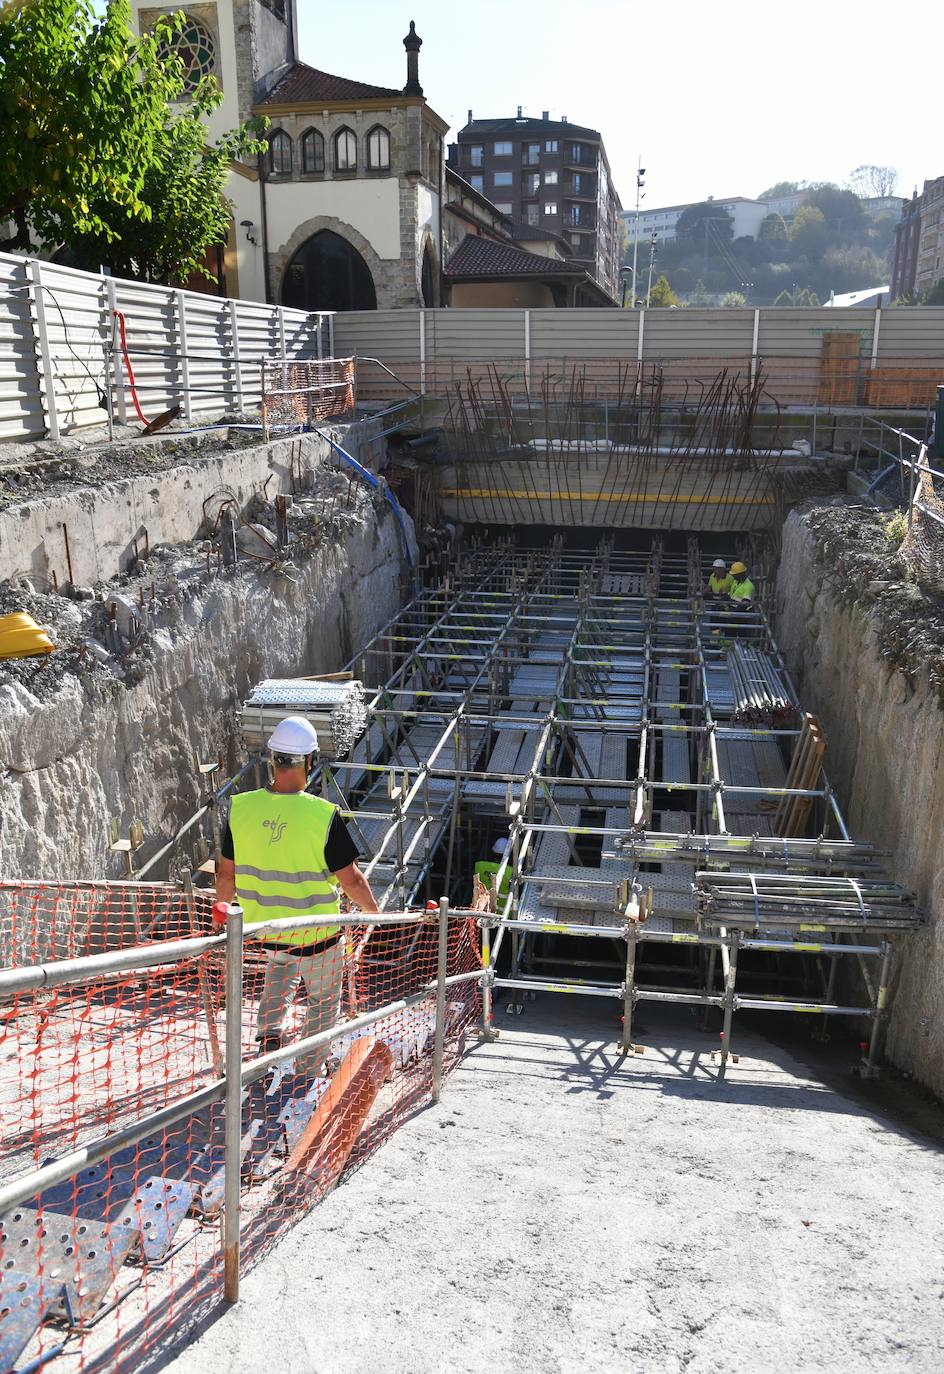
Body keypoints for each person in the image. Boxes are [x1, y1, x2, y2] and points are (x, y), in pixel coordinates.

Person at [215, 715, 379, 1070]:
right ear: (308, 761)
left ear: (273, 758)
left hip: (267, 929)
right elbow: (350, 879)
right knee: (322, 1001)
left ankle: (269, 1032)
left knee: (280, 969)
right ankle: (309, 1066)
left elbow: (225, 873)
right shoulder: (321, 815)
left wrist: (221, 907)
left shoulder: (241, 809)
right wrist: (375, 913)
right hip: (315, 933)